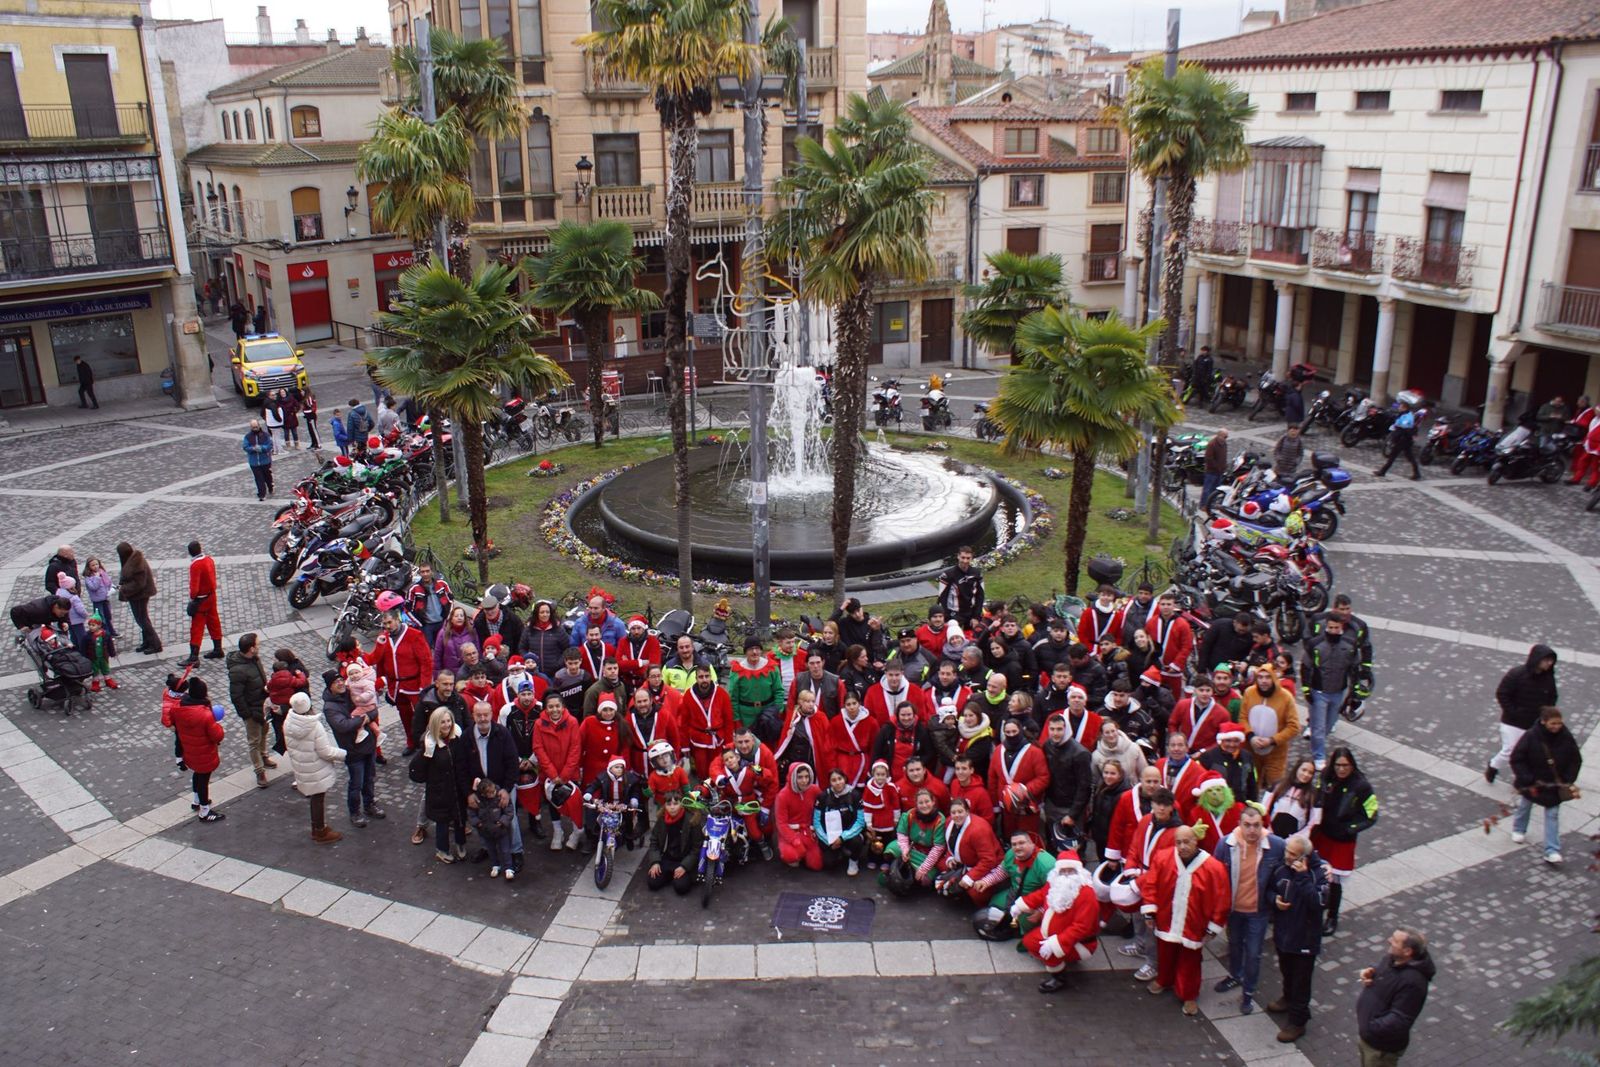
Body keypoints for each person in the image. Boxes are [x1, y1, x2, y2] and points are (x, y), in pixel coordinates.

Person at [1138, 825, 1232, 1017]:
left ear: (1196, 841)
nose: (1182, 846)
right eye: (1178, 842)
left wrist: (1213, 926)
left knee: (1190, 961)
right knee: (1165, 954)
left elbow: (1222, 899)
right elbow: (1150, 884)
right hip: (1166, 919)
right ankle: (1164, 980)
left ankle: (1188, 994)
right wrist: (1149, 911)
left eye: (1186, 842)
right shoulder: (1163, 858)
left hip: (1194, 925)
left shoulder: (1214, 868)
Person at [1212, 807, 1285, 1014]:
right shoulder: (1225, 845)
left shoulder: (1276, 845)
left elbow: (1298, 856)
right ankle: (1236, 975)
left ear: (1262, 825)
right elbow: (1214, 875)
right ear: (1239, 824)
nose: (1252, 830)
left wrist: (1322, 866)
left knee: (1253, 953)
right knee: (1235, 944)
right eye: (1247, 825)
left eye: (1256, 825)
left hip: (1258, 912)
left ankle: (1248, 993)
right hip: (1234, 910)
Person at [1309, 746, 1378, 936]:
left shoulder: (1361, 786)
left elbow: (1371, 814)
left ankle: (1332, 916)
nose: (1341, 769)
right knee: (1317, 870)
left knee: (1335, 880)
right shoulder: (1326, 776)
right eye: (1338, 765)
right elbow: (1317, 796)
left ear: (1352, 765)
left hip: (1342, 840)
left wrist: (1350, 829)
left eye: (1345, 765)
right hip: (1322, 834)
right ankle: (1320, 902)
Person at [1015, 848, 1101, 993]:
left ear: (1079, 872)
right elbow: (1041, 894)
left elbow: (1081, 927)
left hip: (1079, 942)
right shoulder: (1055, 883)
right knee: (1029, 942)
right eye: (1063, 871)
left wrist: (1057, 943)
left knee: (1051, 952)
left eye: (1070, 871)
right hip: (1052, 934)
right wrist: (1021, 905)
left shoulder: (1087, 894)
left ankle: (1059, 978)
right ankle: (1062, 957)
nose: (1066, 875)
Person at [1268, 835, 1326, 1043]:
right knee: (1287, 972)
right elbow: (1270, 889)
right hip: (1284, 935)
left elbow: (1318, 902)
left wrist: (1302, 878)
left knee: (1301, 982)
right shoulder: (1281, 868)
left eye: (1292, 854)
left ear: (1304, 857)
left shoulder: (1319, 874)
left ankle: (1298, 1021)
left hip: (1305, 940)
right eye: (1287, 851)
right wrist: (1273, 899)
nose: (1287, 856)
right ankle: (1287, 998)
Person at [1509, 705, 1582, 864]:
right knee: (1525, 806)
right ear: (1543, 722)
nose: (1557, 727)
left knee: (1552, 815)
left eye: (1559, 723)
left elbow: (1575, 759)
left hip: (1553, 786)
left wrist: (1567, 779)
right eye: (1553, 723)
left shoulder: (1566, 737)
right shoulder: (1531, 736)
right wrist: (1528, 779)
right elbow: (1517, 758)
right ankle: (1519, 829)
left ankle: (1551, 850)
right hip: (1534, 783)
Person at [458, 700, 525, 867]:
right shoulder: (466, 737)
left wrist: (506, 789)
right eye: (478, 715)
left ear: (491, 715)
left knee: (510, 819)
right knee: (482, 819)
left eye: (485, 715)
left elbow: (512, 763)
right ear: (473, 716)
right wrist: (469, 793)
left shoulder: (502, 733)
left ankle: (516, 851)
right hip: (479, 789)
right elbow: (461, 768)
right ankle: (487, 848)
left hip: (502, 786)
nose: (482, 718)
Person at [1356, 928, 1435, 1066]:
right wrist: (1372, 971)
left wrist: (1370, 1027)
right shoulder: (1394, 958)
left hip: (1380, 1048)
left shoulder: (1413, 983)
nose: (1389, 940)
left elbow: (1399, 1020)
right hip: (1369, 1038)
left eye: (1395, 941)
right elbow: (1384, 971)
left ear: (1407, 951)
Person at [1487, 643, 1558, 785]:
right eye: (1546, 660)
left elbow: (1552, 696)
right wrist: (1513, 712)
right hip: (1513, 723)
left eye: (1551, 660)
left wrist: (1546, 714)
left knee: (1530, 754)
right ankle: (1493, 766)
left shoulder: (1548, 677)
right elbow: (1502, 693)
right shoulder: (1516, 674)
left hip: (1535, 723)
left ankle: (1522, 780)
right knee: (1510, 751)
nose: (1549, 663)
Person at [368, 606, 434, 756]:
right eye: (384, 624)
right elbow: (379, 661)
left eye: (389, 622)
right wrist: (380, 680)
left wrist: (424, 686)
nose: (387, 626)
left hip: (414, 684)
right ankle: (411, 742)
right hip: (396, 686)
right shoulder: (383, 638)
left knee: (422, 715)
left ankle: (427, 742)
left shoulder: (414, 635)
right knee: (405, 715)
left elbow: (426, 661)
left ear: (397, 620)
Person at [284, 690, 347, 842]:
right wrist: (345, 755)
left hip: (302, 767)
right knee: (318, 798)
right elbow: (326, 752)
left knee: (315, 797)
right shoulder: (314, 726)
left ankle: (317, 827)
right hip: (316, 769)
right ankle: (320, 831)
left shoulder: (288, 722)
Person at [322, 668, 382, 829]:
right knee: (356, 783)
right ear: (329, 686)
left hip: (368, 744)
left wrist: (366, 716)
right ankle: (354, 812)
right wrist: (364, 719)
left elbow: (373, 708)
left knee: (369, 778)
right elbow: (343, 726)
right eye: (336, 682)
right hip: (353, 750)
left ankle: (369, 804)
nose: (341, 683)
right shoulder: (330, 707)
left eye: (341, 680)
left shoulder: (352, 691)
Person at [1301, 614, 1360, 769]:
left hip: (1338, 691)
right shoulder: (1315, 644)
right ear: (1326, 626)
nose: (1333, 631)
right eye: (1331, 627)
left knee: (1330, 723)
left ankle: (1316, 740)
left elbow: (1354, 668)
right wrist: (1306, 689)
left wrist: (1353, 691)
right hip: (1319, 691)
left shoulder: (1350, 645)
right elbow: (1306, 666)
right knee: (1319, 727)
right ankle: (1319, 755)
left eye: (1336, 628)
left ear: (1341, 627)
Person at [532, 694, 584, 850]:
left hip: (569, 773)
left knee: (573, 803)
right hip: (550, 774)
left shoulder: (572, 722)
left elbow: (575, 749)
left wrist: (565, 775)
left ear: (563, 707)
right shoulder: (539, 724)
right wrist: (553, 774)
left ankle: (576, 831)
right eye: (550, 707)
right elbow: (538, 748)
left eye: (557, 706)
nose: (554, 710)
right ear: (546, 708)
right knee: (553, 803)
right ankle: (557, 831)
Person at [417, 707, 467, 863]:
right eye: (442, 722)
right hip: (439, 790)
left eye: (448, 721)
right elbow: (418, 769)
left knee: (459, 818)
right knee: (442, 822)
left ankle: (460, 843)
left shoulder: (456, 739)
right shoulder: (429, 744)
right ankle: (442, 849)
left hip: (456, 787)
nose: (446, 725)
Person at [172, 677, 226, 823]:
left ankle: (196, 801)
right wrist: (218, 724)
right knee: (203, 780)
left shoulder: (178, 708)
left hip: (190, 751)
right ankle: (204, 811)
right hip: (204, 753)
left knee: (197, 774)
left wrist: (179, 756)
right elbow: (217, 736)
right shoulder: (205, 714)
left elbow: (177, 731)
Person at [227, 632, 273, 789]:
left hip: (262, 706)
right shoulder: (237, 670)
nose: (259, 646)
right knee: (254, 741)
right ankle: (259, 770)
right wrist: (247, 715)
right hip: (252, 711)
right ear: (251, 648)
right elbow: (236, 696)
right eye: (257, 644)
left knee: (264, 732)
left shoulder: (255, 659)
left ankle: (263, 756)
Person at [1241, 664, 1299, 786]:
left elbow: (1294, 727)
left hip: (1276, 753)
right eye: (1260, 677)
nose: (1263, 681)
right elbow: (1243, 718)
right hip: (1251, 749)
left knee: (1275, 785)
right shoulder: (1249, 693)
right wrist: (1251, 736)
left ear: (1274, 678)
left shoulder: (1286, 697)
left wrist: (1272, 740)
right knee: (1251, 783)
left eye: (1268, 677)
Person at [881, 787, 946, 891]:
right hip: (912, 847)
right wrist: (905, 849)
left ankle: (907, 874)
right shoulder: (910, 815)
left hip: (927, 854)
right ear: (916, 804)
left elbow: (938, 847)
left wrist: (924, 868)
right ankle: (893, 867)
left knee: (925, 880)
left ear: (933, 802)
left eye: (927, 801)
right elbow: (902, 833)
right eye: (921, 803)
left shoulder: (940, 820)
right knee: (890, 850)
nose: (924, 805)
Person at [814, 766, 868, 875]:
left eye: (840, 779)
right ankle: (840, 852)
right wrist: (828, 841)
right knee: (829, 864)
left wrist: (842, 838)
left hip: (850, 834)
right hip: (831, 837)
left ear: (845, 779)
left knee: (857, 841)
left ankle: (853, 861)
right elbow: (816, 822)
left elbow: (860, 821)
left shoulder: (855, 795)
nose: (838, 782)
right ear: (830, 782)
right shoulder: (823, 797)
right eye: (834, 780)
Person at [647, 790, 704, 894]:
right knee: (653, 883)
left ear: (681, 804)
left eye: (676, 804)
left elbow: (697, 848)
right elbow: (654, 842)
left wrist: (684, 866)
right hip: (667, 858)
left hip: (683, 859)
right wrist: (655, 862)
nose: (672, 807)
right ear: (665, 806)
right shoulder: (662, 819)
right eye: (669, 804)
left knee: (681, 888)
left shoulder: (692, 820)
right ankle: (669, 875)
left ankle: (675, 876)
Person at [471, 778, 517, 880]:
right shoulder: (478, 800)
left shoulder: (500, 796)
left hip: (501, 830)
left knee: (505, 850)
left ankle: (509, 868)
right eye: (490, 793)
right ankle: (495, 865)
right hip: (486, 831)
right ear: (483, 794)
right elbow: (472, 814)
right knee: (491, 850)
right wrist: (478, 823)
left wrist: (502, 822)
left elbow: (509, 811)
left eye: (493, 791)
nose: (493, 794)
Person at [937, 546, 985, 627]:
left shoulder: (977, 573)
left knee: (973, 634)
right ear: (958, 556)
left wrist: (976, 616)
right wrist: (946, 617)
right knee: (954, 634)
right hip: (954, 613)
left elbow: (980, 596)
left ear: (971, 558)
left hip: (971, 612)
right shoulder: (948, 574)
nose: (965, 561)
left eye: (968, 558)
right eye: (963, 557)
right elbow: (942, 597)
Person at [1373, 398, 1420, 479]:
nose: (1399, 408)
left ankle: (1382, 471)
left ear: (1404, 407)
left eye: (1400, 406)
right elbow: (1395, 418)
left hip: (1403, 439)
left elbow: (1404, 425)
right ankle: (1417, 473)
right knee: (1409, 456)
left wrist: (1397, 425)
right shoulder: (1403, 414)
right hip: (1402, 439)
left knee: (1393, 456)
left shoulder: (1408, 416)